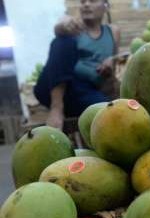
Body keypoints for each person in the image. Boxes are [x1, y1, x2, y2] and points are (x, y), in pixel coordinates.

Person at [34, 0, 120, 130]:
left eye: (92, 0)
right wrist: (61, 27)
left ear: (106, 6)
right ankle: (57, 107)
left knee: (107, 109)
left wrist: (112, 61)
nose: (86, 4)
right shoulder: (72, 25)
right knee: (63, 41)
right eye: (83, 1)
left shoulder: (113, 32)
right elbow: (60, 26)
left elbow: (114, 68)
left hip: (84, 92)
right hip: (53, 86)